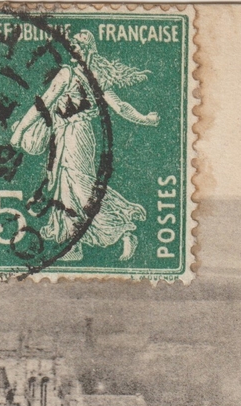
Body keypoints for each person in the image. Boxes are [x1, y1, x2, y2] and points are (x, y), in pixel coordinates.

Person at [10, 29, 158, 261]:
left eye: (77, 45)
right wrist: (145, 119)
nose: (72, 49)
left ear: (87, 50)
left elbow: (44, 105)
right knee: (65, 187)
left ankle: (123, 229)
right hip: (70, 134)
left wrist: (19, 132)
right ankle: (74, 246)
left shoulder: (69, 75)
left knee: (80, 188)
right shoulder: (89, 76)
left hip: (74, 136)